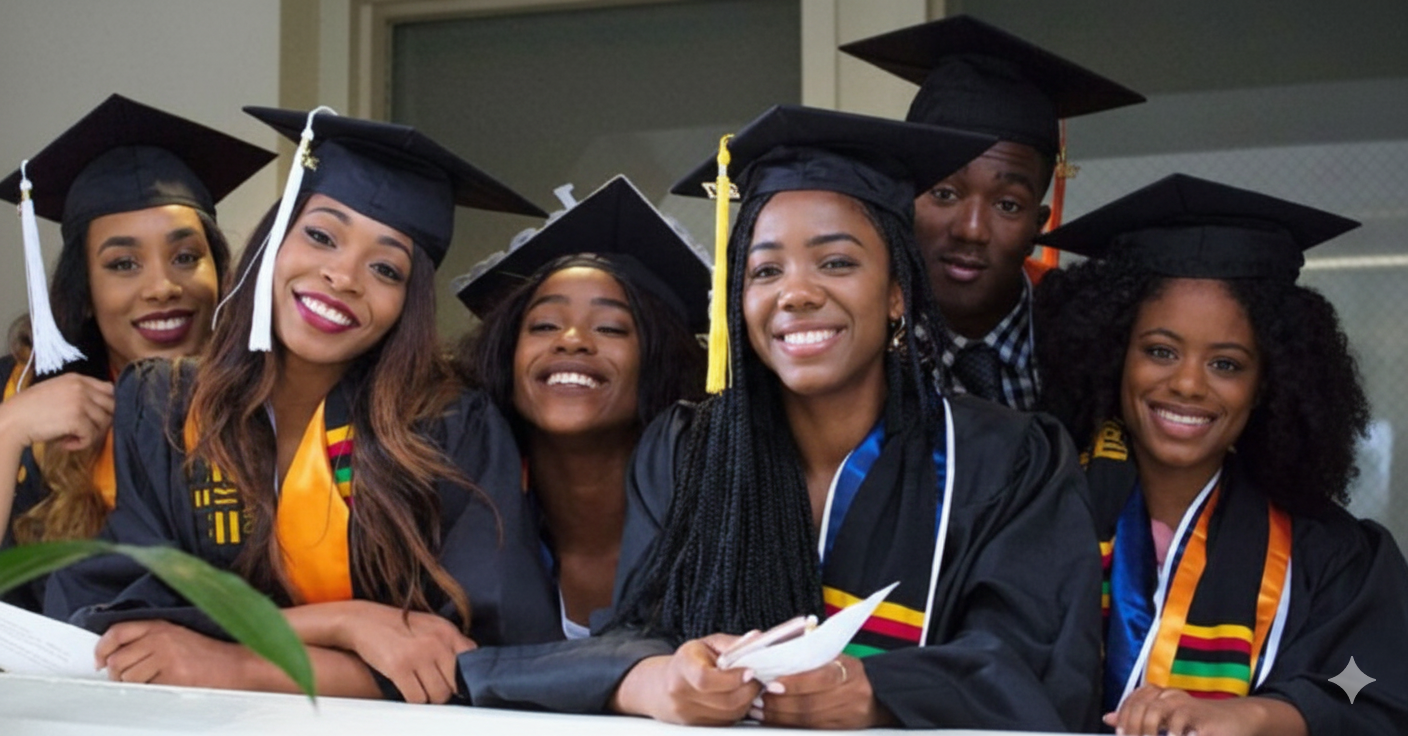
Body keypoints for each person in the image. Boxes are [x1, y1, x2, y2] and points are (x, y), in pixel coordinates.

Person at [461, 104, 1102, 731]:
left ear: (898, 293)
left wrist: (877, 693)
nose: (796, 292)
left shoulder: (1008, 460)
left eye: (836, 262)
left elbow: (1046, 667)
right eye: (765, 269)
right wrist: (664, 678)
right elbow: (640, 633)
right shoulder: (684, 451)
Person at [44, 107, 562, 703]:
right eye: (321, 235)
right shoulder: (164, 404)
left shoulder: (449, 427)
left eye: (385, 268)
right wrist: (347, 622)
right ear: (275, 238)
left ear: (408, 304)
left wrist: (238, 664)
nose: (343, 276)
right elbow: (112, 616)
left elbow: (485, 660)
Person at [1033, 173, 1408, 736]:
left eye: (1226, 364)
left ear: (1268, 383)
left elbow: (1364, 682)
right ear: (1113, 354)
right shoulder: (1034, 515)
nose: (1187, 384)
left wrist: (1259, 713)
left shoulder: (1327, 553)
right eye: (1160, 351)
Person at [0, 94, 273, 610]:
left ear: (221, 273)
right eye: (123, 264)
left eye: (186, 256)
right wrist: (10, 428)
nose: (163, 287)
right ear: (84, 294)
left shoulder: (275, 396)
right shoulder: (17, 392)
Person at [840, 15, 1144, 408]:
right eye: (945, 193)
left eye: (1007, 204)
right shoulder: (853, 353)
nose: (971, 230)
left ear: (1040, 224)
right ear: (904, 202)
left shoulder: (1095, 357)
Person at [451, 174, 708, 636]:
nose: (572, 341)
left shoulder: (716, 522)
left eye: (611, 329)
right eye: (545, 325)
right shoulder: (454, 508)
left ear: (661, 361)